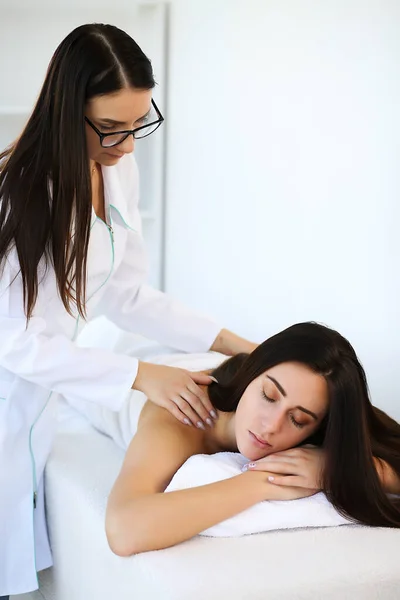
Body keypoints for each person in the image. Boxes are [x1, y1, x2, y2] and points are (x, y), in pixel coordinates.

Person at [0, 24, 256, 597]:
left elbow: (127, 295)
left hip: (38, 402)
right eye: (111, 128)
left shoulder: (115, 168)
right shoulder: (17, 192)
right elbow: (14, 342)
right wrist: (143, 376)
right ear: (68, 111)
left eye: (139, 123)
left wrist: (239, 345)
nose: (128, 144)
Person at [106, 322, 400, 556]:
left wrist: (333, 466)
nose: (271, 426)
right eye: (268, 396)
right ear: (251, 377)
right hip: (119, 348)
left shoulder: (316, 393)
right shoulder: (179, 419)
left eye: (298, 420)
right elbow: (124, 530)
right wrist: (265, 483)